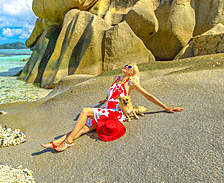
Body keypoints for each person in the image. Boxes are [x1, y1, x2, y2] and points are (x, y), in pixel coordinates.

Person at [41, 63, 184, 152]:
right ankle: (57, 142)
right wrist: (105, 99)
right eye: (127, 65)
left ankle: (68, 141)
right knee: (84, 128)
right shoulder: (116, 78)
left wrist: (166, 107)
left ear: (131, 73)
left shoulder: (131, 83)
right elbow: (112, 93)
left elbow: (148, 96)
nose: (126, 67)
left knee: (84, 111)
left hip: (115, 113)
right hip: (107, 108)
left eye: (129, 68)